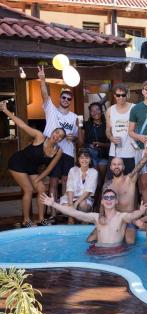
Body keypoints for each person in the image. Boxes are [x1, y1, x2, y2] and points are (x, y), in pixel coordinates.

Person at [2, 102, 65, 227]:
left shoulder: (58, 151)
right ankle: (26, 220)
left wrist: (39, 179)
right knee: (29, 190)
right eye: (57, 132)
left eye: (61, 137)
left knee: (42, 188)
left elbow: (49, 169)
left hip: (31, 168)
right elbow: (22, 125)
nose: (57, 136)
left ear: (61, 140)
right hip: (17, 162)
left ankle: (41, 219)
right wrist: (6, 111)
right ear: (53, 132)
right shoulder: (40, 136)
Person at [40, 190, 147, 255]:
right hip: (98, 251)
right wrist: (54, 204)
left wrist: (141, 211)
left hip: (116, 252)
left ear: (116, 201)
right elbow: (74, 213)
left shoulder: (121, 217)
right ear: (102, 201)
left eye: (112, 197)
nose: (109, 200)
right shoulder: (96, 217)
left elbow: (132, 216)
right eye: (106, 198)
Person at [38, 65, 78, 223]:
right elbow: (44, 96)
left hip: (68, 153)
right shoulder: (51, 110)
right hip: (53, 152)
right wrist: (42, 80)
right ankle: (54, 213)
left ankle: (66, 211)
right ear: (60, 98)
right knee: (53, 182)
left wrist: (72, 138)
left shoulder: (74, 116)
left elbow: (76, 137)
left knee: (66, 183)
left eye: (69, 98)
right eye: (64, 97)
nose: (66, 100)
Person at [87, 149, 147, 244]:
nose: (117, 166)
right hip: (113, 219)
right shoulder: (107, 185)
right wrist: (101, 217)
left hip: (129, 219)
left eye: (119, 164)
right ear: (111, 167)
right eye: (114, 164)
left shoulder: (130, 179)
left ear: (123, 167)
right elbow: (102, 204)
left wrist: (145, 158)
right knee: (90, 240)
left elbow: (138, 167)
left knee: (130, 241)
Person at [60, 149, 98, 224]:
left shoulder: (94, 172)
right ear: (78, 159)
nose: (84, 160)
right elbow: (70, 188)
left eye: (87, 158)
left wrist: (76, 204)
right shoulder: (72, 170)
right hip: (71, 198)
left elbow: (88, 191)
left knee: (83, 205)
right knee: (64, 207)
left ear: (90, 160)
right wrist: (71, 205)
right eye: (82, 158)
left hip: (85, 199)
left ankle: (84, 221)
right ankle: (73, 218)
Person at [106, 84, 136, 177]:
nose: (121, 97)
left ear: (127, 95)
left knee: (131, 181)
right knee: (113, 181)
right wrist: (111, 137)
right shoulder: (110, 110)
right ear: (114, 95)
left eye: (123, 95)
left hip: (131, 151)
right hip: (115, 152)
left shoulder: (134, 108)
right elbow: (107, 129)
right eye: (118, 95)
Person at [80, 102, 109, 186]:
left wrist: (101, 144)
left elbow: (111, 144)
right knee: (94, 177)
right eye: (92, 111)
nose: (95, 112)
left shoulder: (106, 125)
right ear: (90, 113)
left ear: (101, 111)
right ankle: (93, 196)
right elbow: (81, 143)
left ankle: (99, 195)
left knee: (101, 179)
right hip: (90, 154)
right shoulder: (86, 124)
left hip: (103, 154)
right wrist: (79, 126)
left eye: (97, 109)